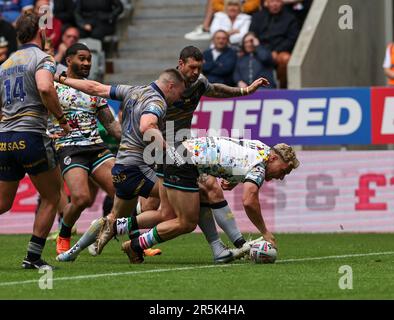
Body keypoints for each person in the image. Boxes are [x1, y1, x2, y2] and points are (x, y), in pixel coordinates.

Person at [95, 46, 270, 264]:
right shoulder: (164, 89)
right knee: (168, 209)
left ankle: (229, 246)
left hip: (185, 148)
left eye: (199, 67)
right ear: (181, 64)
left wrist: (245, 91)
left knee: (206, 191)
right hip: (162, 150)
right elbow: (144, 117)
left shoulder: (198, 84)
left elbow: (215, 89)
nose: (196, 71)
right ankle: (116, 225)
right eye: (192, 67)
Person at [55, 68, 186, 262]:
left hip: (122, 167)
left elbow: (94, 88)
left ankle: (72, 252)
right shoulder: (157, 102)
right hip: (135, 168)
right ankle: (137, 243)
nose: (179, 98)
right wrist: (171, 153)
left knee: (115, 217)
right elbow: (147, 126)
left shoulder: (133, 90)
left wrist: (62, 79)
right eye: (180, 93)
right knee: (178, 199)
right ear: (171, 86)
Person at [120, 137, 299, 263]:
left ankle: (223, 250)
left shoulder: (261, 148)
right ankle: (133, 244)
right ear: (274, 158)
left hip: (179, 152)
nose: (281, 177)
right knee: (185, 222)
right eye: (283, 171)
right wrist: (265, 232)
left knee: (207, 193)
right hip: (184, 162)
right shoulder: (260, 167)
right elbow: (249, 201)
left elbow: (234, 154)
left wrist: (234, 179)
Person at [0, 13, 71, 269]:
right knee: (52, 196)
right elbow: (44, 87)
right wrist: (61, 119)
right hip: (31, 136)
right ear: (40, 34)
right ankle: (32, 257)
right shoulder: (43, 58)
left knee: (3, 203)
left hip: (5, 138)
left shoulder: (5, 64)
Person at [50, 42, 121, 255]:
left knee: (123, 194)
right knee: (82, 199)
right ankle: (64, 233)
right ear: (68, 60)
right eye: (82, 58)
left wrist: (131, 142)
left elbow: (110, 124)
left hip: (96, 148)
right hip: (70, 148)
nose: (87, 63)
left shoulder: (93, 88)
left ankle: (134, 242)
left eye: (89, 59)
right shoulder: (52, 86)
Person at [249, 0, 300, 88]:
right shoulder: (258, 16)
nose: (275, 4)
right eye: (272, 1)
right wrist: (260, 50)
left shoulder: (290, 18)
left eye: (278, 1)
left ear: (282, 3)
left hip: (280, 52)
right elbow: (252, 34)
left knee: (286, 59)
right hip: (260, 50)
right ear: (267, 3)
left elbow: (292, 39)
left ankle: (283, 87)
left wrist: (277, 51)